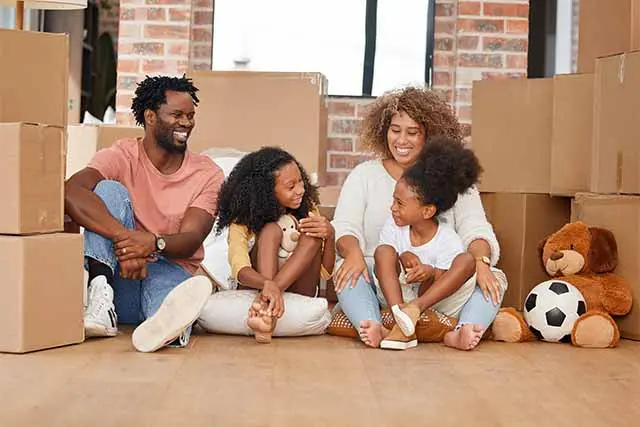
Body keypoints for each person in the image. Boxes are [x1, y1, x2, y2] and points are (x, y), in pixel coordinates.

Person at [332, 86, 508, 350]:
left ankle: (460, 330)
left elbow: (476, 228)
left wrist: (481, 262)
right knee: (346, 270)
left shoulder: (454, 178)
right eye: (395, 130)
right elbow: (345, 226)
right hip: (385, 284)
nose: (401, 140)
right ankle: (375, 324)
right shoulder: (363, 175)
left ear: (430, 136)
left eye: (412, 132)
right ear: (383, 131)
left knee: (495, 277)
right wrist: (353, 252)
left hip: (441, 286)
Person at [65, 75, 224, 353]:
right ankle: (99, 298)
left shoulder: (207, 173)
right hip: (118, 276)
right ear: (150, 116)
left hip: (169, 267)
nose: (186, 122)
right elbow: (71, 190)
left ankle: (167, 328)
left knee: (170, 295)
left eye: (190, 115)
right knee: (108, 190)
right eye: (176, 115)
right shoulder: (122, 154)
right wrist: (128, 240)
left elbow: (191, 238)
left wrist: (151, 243)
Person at [215, 147, 335, 343]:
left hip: (301, 288)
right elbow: (240, 270)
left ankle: (264, 306)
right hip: (259, 283)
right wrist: (266, 284)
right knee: (270, 229)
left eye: (301, 182)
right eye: (291, 186)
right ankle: (268, 306)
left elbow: (325, 273)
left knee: (311, 234)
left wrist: (330, 235)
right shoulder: (242, 222)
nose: (301, 190)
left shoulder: (307, 208)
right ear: (267, 192)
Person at [373, 137, 481, 350]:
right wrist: (402, 257)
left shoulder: (447, 238)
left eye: (400, 203)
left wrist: (429, 272)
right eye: (394, 200)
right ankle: (399, 316)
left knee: (467, 260)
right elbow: (386, 262)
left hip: (429, 301)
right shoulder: (393, 226)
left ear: (427, 211)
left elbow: (443, 282)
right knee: (383, 251)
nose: (393, 208)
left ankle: (410, 313)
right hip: (399, 296)